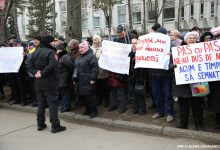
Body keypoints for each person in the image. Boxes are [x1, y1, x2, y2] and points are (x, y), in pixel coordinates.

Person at [27, 35, 66, 133]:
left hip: (39, 82)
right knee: (53, 103)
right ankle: (55, 125)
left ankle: (40, 124)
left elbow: (29, 65)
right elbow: (53, 64)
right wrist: (41, 73)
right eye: (53, 41)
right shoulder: (51, 52)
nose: (54, 43)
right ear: (49, 42)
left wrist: (36, 72)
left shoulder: (35, 52)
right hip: (50, 82)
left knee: (41, 103)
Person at [173, 32, 204, 131]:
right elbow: (170, 64)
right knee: (183, 105)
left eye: (193, 38)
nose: (191, 39)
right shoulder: (178, 51)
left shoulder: (202, 50)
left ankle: (199, 125)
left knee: (197, 105)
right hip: (183, 84)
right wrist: (173, 66)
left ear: (196, 40)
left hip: (197, 83)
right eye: (189, 38)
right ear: (186, 40)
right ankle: (183, 123)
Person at [149, 27, 175, 122]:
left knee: (168, 95)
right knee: (156, 94)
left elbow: (175, 61)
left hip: (166, 75)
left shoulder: (171, 46)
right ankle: (160, 111)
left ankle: (170, 113)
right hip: (154, 74)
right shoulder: (150, 45)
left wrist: (171, 62)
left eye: (161, 34)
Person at [72, 41, 99, 119]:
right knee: (83, 97)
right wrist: (74, 78)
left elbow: (95, 68)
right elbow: (75, 68)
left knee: (90, 97)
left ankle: (94, 111)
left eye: (82, 47)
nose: (81, 49)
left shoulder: (91, 56)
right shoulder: (79, 57)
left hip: (88, 80)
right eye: (80, 47)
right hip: (80, 81)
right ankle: (87, 110)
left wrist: (93, 78)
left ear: (87, 48)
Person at [128, 37, 147, 115]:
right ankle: (135, 109)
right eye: (132, 43)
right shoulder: (130, 53)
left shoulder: (142, 53)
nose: (134, 44)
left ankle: (142, 110)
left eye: (135, 43)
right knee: (133, 94)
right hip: (131, 76)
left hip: (139, 77)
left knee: (140, 94)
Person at [91, 35, 109, 107]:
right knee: (97, 87)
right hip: (95, 71)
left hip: (103, 71)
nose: (95, 41)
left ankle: (106, 101)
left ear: (99, 40)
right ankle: (99, 100)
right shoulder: (91, 48)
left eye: (96, 40)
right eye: (94, 40)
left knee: (105, 87)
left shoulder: (103, 48)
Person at [56, 44, 74, 113]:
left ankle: (66, 107)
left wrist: (67, 75)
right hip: (60, 78)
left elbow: (71, 67)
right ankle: (64, 105)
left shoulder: (65, 57)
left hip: (65, 78)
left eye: (57, 49)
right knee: (63, 93)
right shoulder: (60, 57)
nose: (56, 51)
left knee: (66, 93)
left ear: (61, 50)